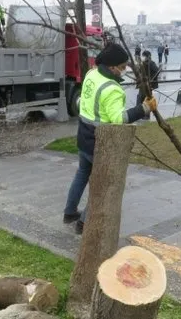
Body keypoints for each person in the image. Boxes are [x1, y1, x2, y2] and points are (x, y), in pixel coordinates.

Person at [62, 43, 158, 235]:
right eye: (122, 66)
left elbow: (82, 101)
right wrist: (144, 109)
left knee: (81, 175)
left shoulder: (91, 74)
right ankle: (83, 223)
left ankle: (70, 213)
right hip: (100, 143)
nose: (124, 70)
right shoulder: (112, 89)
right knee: (100, 186)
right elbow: (119, 119)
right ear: (112, 66)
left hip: (84, 136)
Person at [137, 50, 160, 120]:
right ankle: (141, 114)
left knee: (145, 99)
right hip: (143, 84)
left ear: (148, 56)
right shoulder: (143, 63)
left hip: (147, 84)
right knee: (141, 98)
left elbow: (157, 71)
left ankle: (146, 116)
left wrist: (151, 80)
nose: (143, 57)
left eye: (144, 56)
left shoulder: (151, 63)